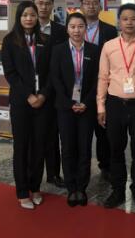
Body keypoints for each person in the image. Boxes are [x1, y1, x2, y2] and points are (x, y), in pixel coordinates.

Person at [97, 4, 135, 209]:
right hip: (115, 104)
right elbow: (103, 77)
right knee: (116, 148)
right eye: (125, 19)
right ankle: (118, 189)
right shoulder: (109, 46)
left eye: (133, 19)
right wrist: (100, 106)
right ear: (119, 22)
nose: (129, 22)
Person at [1, 1, 51, 210]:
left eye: (32, 15)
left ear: (37, 17)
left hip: (42, 102)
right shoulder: (9, 41)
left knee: (39, 147)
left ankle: (35, 187)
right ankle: (22, 192)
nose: (29, 18)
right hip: (21, 102)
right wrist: (29, 95)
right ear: (19, 17)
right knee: (21, 147)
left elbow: (51, 72)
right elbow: (10, 73)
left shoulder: (45, 40)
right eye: (25, 15)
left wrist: (43, 95)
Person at [51, 13, 100, 208]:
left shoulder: (94, 50)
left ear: (85, 28)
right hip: (65, 108)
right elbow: (55, 79)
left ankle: (82, 187)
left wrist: (86, 102)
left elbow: (98, 79)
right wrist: (69, 103)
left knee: (85, 148)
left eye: (80, 26)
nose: (76, 30)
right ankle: (71, 188)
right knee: (68, 147)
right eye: (72, 26)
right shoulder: (58, 50)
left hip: (87, 107)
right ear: (67, 29)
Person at [80, 0, 118, 182]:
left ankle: (106, 166)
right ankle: (82, 167)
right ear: (81, 6)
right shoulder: (74, 27)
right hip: (81, 85)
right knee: (83, 131)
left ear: (100, 7)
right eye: (87, 3)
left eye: (95, 3)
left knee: (104, 130)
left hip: (105, 85)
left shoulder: (110, 30)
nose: (91, 6)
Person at [34, 0, 67, 189]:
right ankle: (34, 174)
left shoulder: (61, 31)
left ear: (53, 6)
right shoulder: (25, 28)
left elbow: (63, 64)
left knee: (53, 135)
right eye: (40, 3)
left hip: (54, 91)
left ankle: (54, 173)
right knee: (34, 136)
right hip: (31, 92)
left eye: (47, 4)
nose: (43, 7)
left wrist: (48, 91)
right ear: (34, 4)